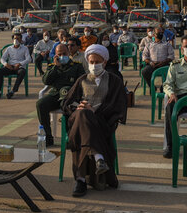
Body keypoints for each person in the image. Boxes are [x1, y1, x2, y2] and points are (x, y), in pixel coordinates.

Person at [61, 44, 127, 197]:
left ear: (104, 62)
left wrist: (94, 111)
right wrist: (79, 106)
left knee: (86, 118)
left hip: (101, 123)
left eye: (97, 62)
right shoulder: (82, 80)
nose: (94, 65)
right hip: (78, 119)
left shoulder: (114, 81)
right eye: (91, 62)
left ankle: (81, 180)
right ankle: (99, 156)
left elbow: (118, 107)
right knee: (83, 114)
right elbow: (67, 103)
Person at [36, 44, 86, 146]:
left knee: (67, 105)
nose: (62, 56)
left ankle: (69, 137)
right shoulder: (52, 66)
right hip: (55, 95)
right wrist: (56, 67)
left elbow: (82, 82)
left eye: (64, 53)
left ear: (68, 53)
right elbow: (46, 81)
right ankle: (48, 137)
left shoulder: (77, 66)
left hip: (71, 96)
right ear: (56, 55)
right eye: (60, 54)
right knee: (40, 104)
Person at [0, 33, 31, 99]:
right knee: (0, 71)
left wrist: (20, 64)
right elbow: (2, 58)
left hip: (19, 67)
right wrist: (6, 64)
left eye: (18, 39)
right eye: (14, 38)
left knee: (22, 72)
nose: (16, 40)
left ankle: (13, 91)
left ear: (21, 40)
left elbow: (29, 59)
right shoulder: (9, 48)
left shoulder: (25, 48)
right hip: (10, 67)